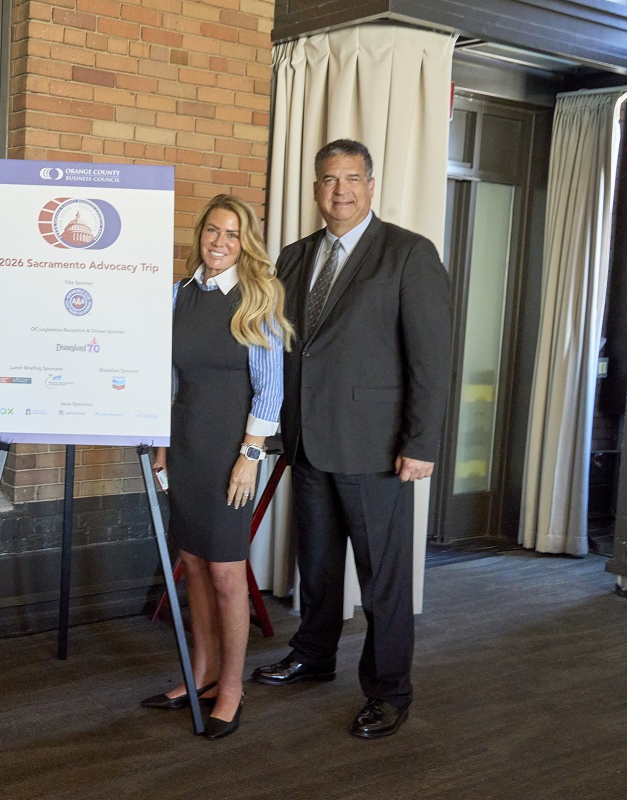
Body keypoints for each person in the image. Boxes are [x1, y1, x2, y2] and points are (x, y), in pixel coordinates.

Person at [252, 139, 452, 739]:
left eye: (352, 179)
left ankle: (389, 690)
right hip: (307, 441)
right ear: (316, 188)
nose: (340, 190)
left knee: (381, 579)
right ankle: (313, 654)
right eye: (329, 179)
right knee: (316, 564)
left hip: (376, 447)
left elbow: (431, 359)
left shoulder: (408, 254)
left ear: (370, 185)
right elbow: (284, 345)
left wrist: (421, 442)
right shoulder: (294, 256)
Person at [141, 195, 292, 740]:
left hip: (232, 451)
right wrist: (162, 444)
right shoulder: (178, 294)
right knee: (194, 563)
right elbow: (168, 378)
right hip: (185, 445)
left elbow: (270, 390)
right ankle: (200, 674)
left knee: (227, 572)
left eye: (231, 233)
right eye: (212, 230)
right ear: (200, 235)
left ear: (245, 242)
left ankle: (231, 687)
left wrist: (249, 458)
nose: (219, 241)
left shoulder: (258, 298)